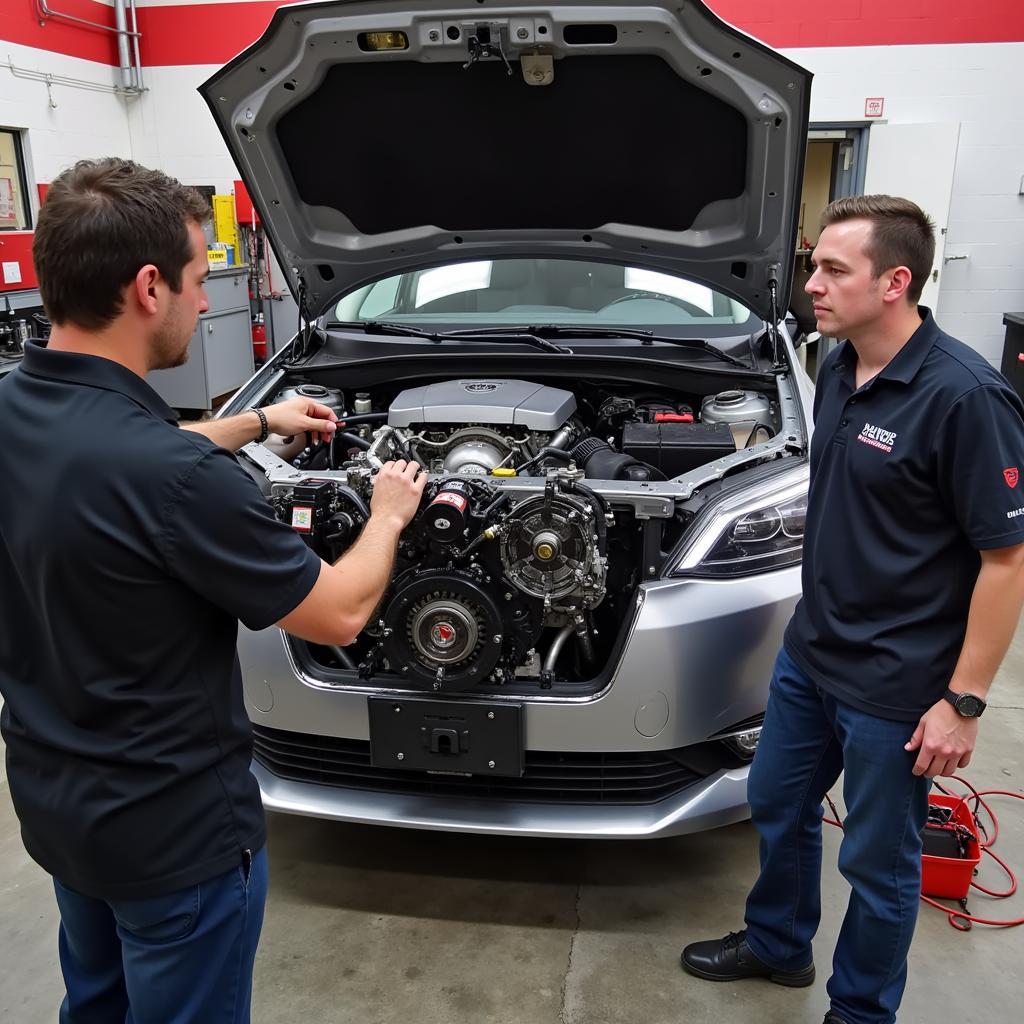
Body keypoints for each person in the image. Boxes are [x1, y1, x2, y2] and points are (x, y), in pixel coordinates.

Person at [0, 158, 426, 1023]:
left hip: (59, 811)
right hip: (176, 842)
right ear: (148, 288)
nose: (206, 299)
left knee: (96, 1006)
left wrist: (260, 421)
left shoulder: (15, 408)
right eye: (201, 279)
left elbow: (119, 457)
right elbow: (340, 611)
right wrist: (388, 514)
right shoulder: (180, 477)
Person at [680, 195, 1024, 1024]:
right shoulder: (836, 365)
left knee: (877, 863)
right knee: (776, 804)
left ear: (895, 282)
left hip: (898, 686)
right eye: (813, 266)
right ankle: (778, 944)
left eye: (834, 270)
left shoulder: (965, 399)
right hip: (812, 655)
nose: (813, 286)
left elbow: (1007, 561)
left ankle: (861, 1010)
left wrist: (963, 701)